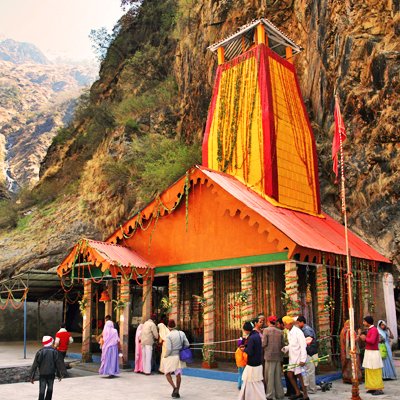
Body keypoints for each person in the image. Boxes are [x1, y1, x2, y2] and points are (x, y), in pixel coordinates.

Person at [282, 315, 308, 400]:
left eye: (285, 324)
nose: (284, 326)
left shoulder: (298, 332)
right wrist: (286, 348)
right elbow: (292, 345)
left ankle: (305, 395)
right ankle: (298, 392)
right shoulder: (289, 332)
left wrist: (303, 359)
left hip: (299, 357)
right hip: (292, 357)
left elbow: (303, 345)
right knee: (290, 374)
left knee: (301, 377)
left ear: (289, 324)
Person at [30, 335, 64, 400]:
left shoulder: (39, 352)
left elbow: (34, 365)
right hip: (51, 374)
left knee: (42, 391)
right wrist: (59, 375)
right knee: (50, 390)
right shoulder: (54, 352)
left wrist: (32, 377)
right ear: (51, 342)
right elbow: (57, 364)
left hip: (42, 374)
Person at [238, 321, 265, 400]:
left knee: (252, 382)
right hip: (258, 361)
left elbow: (250, 351)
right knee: (254, 382)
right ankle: (248, 396)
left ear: (246, 330)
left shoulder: (251, 337)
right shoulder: (256, 335)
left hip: (252, 363)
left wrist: (243, 349)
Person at [164, 319, 189, 399]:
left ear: (168, 327)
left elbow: (169, 349)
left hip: (171, 357)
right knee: (178, 374)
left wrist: (165, 355)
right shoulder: (181, 333)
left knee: (167, 373)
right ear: (175, 326)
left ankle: (174, 388)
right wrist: (181, 349)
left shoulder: (168, 336)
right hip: (180, 357)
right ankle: (177, 391)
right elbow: (187, 344)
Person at [359, 316, 384, 395]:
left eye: (364, 321)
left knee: (375, 370)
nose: (363, 323)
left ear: (368, 322)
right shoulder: (370, 329)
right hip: (369, 352)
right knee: (369, 369)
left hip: (373, 353)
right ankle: (372, 387)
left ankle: (378, 388)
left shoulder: (374, 330)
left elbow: (372, 341)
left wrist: (365, 338)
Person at [262, 315, 284, 400]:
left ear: (268, 322)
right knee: (278, 376)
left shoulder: (266, 330)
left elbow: (264, 344)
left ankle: (270, 395)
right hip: (278, 356)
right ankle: (280, 394)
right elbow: (282, 344)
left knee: (269, 376)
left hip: (269, 356)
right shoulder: (280, 331)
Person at [296, 316, 318, 394]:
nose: (298, 324)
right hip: (309, 352)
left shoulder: (307, 330)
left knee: (310, 372)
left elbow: (309, 341)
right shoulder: (304, 329)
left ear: (302, 322)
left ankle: (312, 389)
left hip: (310, 353)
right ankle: (309, 388)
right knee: (308, 372)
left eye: (298, 323)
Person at [277, 317, 297, 397]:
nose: (278, 325)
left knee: (289, 374)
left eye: (278, 324)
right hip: (288, 356)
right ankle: (291, 391)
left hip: (287, 356)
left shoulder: (285, 332)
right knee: (289, 374)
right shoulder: (287, 331)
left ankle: (292, 391)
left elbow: (285, 343)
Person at [339, 320, 362, 384]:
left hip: (345, 351)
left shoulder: (343, 330)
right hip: (352, 350)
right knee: (354, 364)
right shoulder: (350, 331)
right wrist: (359, 334)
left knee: (347, 365)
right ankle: (354, 378)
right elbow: (353, 340)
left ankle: (347, 378)